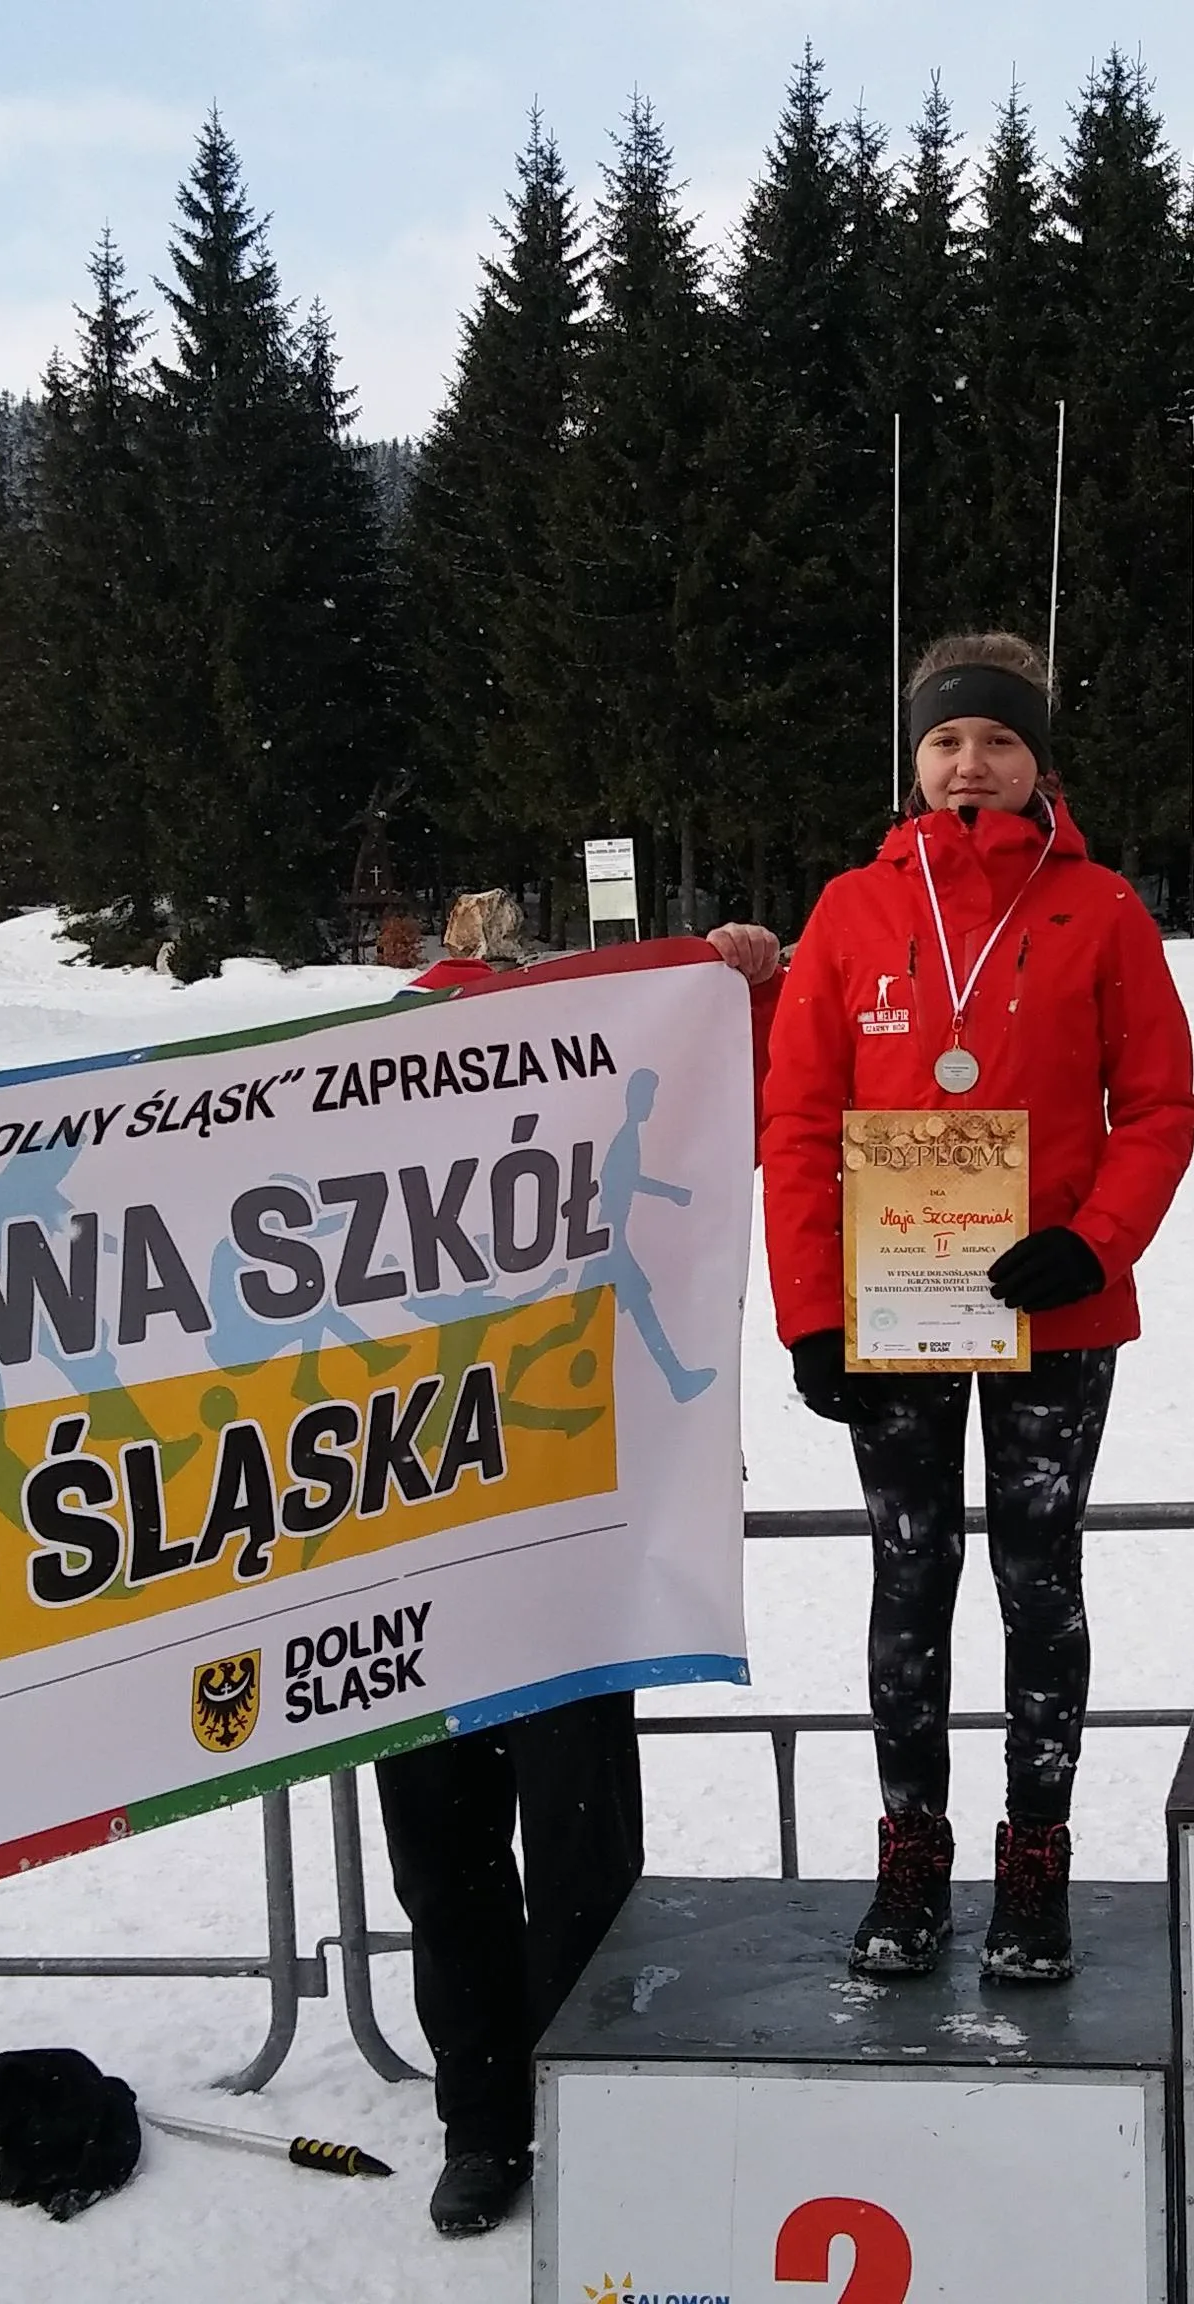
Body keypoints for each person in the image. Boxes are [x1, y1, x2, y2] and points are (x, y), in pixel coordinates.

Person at [761, 631, 1194, 1986]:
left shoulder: (1102, 911)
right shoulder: (850, 913)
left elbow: (1163, 1108)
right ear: (914, 761)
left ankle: (1035, 1857)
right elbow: (798, 1122)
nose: (971, 763)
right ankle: (912, 1853)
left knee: (1038, 1578)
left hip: (1054, 1319)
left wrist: (1094, 1240)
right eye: (948, 741)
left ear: (1036, 763)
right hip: (892, 1316)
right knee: (910, 1578)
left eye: (997, 741)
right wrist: (810, 1312)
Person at [378, 904, 781, 2239]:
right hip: (402, 1554)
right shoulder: (350, 1145)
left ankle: (591, 2101)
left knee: (580, 1852)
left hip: (567, 1554)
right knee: (447, 1865)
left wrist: (743, 992)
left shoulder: (591, 1125)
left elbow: (723, 1108)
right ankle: (484, 2121)